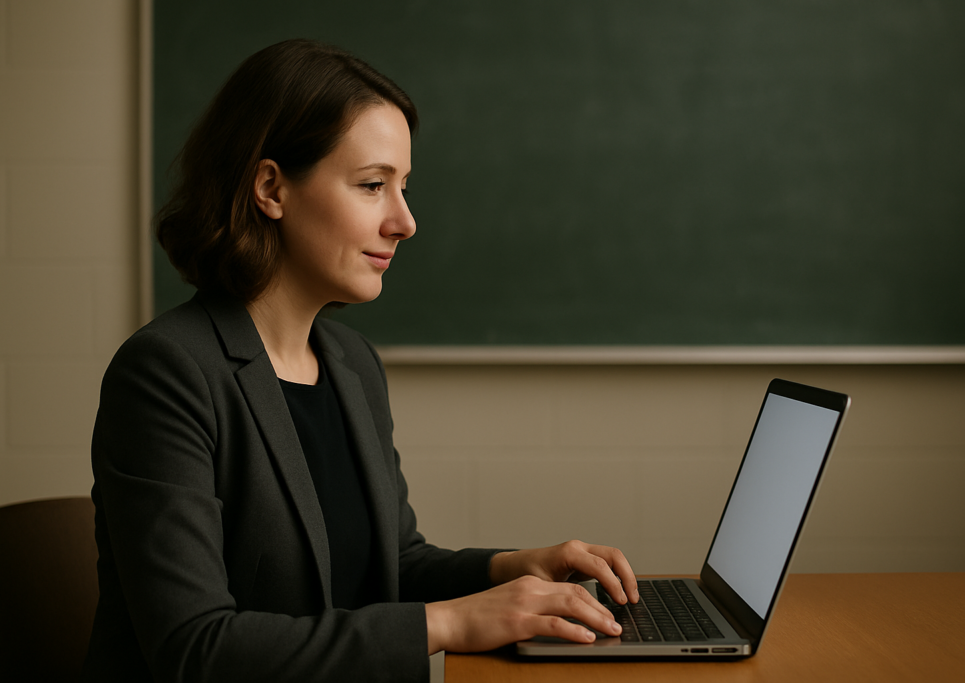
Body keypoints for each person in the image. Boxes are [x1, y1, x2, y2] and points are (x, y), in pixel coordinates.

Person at [83, 39, 639, 682]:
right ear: (271, 188)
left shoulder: (351, 362)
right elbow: (196, 649)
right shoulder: (167, 373)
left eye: (403, 187)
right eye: (373, 185)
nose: (404, 220)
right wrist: (450, 623)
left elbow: (391, 564)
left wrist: (509, 568)